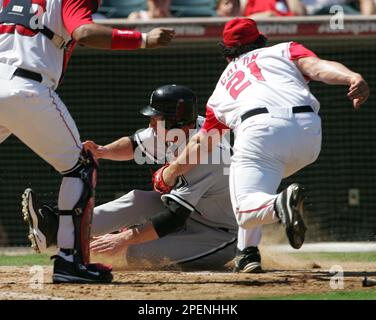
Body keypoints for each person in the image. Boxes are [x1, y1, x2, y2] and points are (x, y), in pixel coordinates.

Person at [153, 18, 369, 253]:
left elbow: (202, 144)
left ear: (226, 54)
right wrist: (352, 77)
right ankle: (247, 254)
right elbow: (318, 68)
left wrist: (170, 173)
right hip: (309, 135)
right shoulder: (284, 49)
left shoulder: (220, 90)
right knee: (254, 187)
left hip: (260, 131)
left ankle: (279, 204)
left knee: (245, 208)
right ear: (261, 40)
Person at [0, 0, 175, 284]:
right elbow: (84, 32)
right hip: (26, 87)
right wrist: (143, 40)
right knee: (81, 166)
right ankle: (71, 261)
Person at [22, 85, 263, 272]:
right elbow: (135, 144)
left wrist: (124, 238)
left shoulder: (209, 152)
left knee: (135, 252)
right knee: (137, 199)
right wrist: (103, 151)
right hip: (195, 211)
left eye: (155, 117)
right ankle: (57, 229)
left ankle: (84, 248)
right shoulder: (177, 130)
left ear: (174, 120)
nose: (150, 121)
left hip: (221, 233)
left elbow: (173, 218)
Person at [303, 0, 375, 15]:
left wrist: (365, 24)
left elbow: (366, 2)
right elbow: (298, 12)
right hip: (313, 15)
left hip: (342, 12)